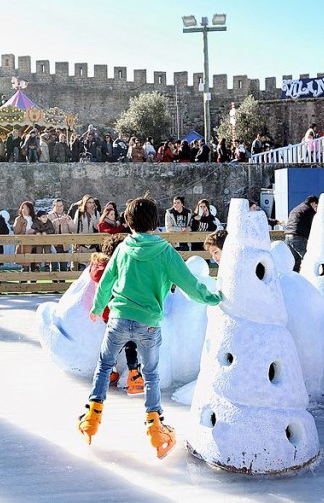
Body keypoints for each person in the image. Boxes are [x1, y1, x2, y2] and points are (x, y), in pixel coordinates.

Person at [77, 196, 222, 458]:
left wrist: (97, 309)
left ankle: (91, 416)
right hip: (148, 325)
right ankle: (155, 426)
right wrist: (213, 298)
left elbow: (106, 282)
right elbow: (190, 284)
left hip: (119, 319)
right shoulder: (165, 251)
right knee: (151, 374)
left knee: (104, 365)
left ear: (128, 222)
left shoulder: (122, 249)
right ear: (155, 221)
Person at [87, 233, 143, 393]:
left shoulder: (98, 267)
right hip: (119, 310)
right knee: (129, 341)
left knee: (115, 343)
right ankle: (134, 375)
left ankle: (112, 372)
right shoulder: (116, 268)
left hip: (108, 312)